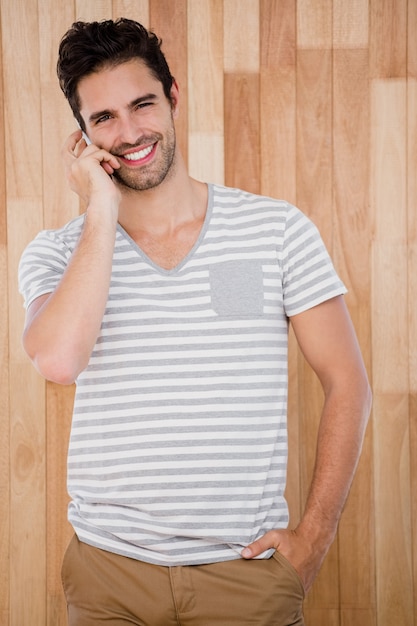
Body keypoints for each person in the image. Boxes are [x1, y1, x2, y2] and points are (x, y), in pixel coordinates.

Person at [18, 18, 372, 626]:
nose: (129, 133)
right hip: (109, 576)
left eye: (142, 104)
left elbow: (348, 382)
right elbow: (58, 361)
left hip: (246, 575)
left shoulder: (277, 231)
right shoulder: (57, 254)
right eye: (103, 118)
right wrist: (101, 211)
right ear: (84, 136)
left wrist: (312, 541)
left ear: (173, 96)